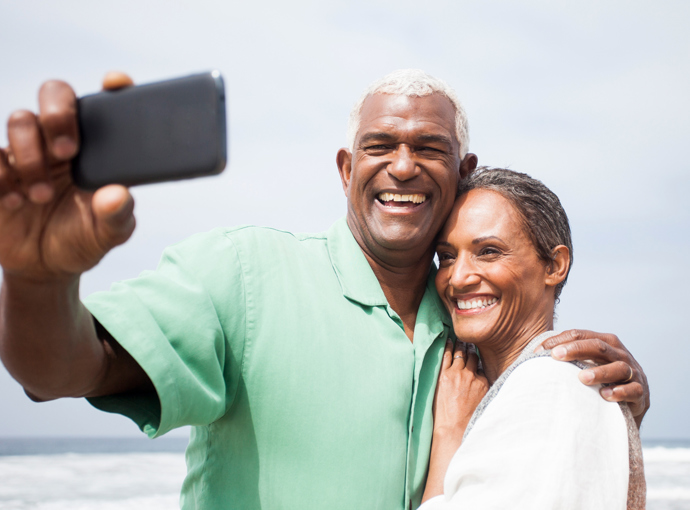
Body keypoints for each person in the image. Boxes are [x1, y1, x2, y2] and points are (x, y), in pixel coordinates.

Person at [0, 70, 649, 509]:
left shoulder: (471, 323)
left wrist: (603, 410)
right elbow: (63, 368)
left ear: (462, 170)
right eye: (379, 145)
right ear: (347, 168)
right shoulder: (246, 272)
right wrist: (37, 280)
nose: (402, 164)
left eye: (428, 146)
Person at [420, 168, 645, 509]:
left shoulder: (549, 384)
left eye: (489, 251)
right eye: (447, 257)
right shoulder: (513, 385)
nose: (459, 277)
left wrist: (448, 436)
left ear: (555, 265)